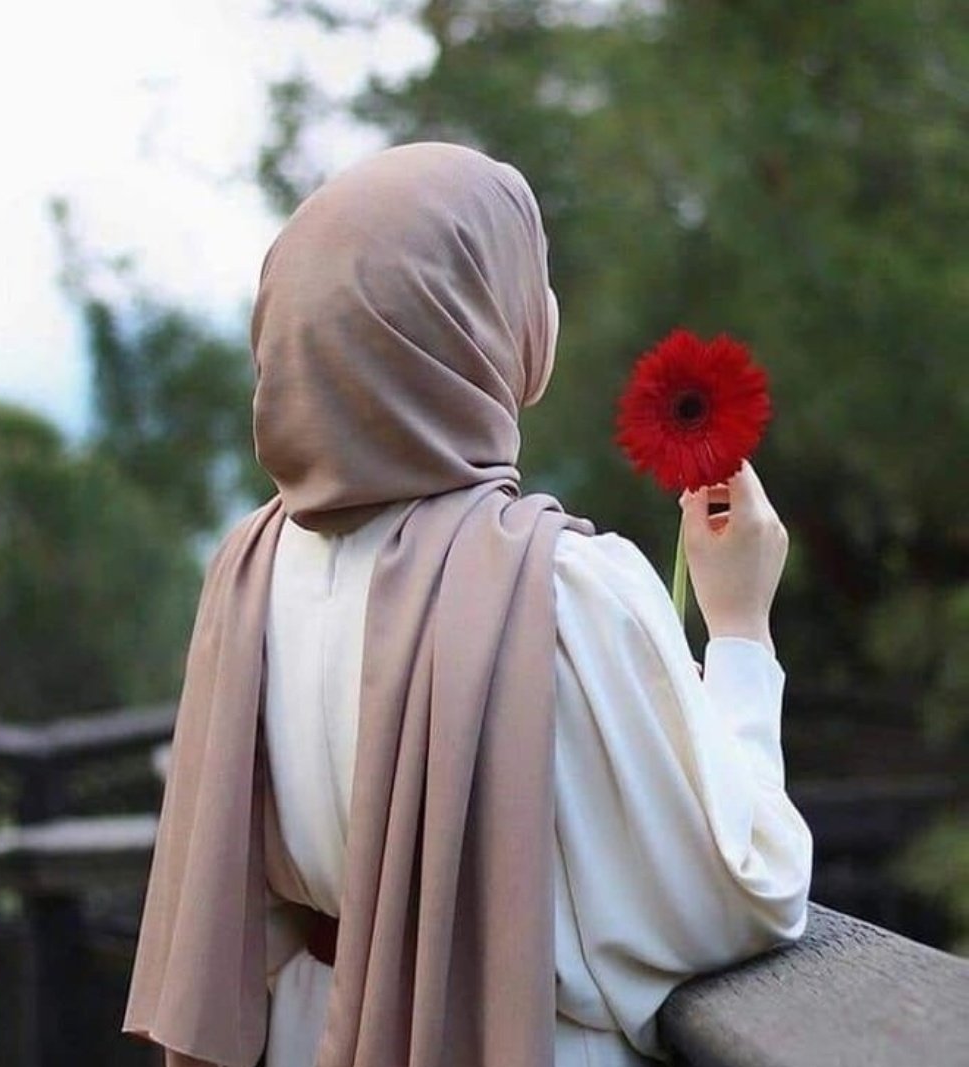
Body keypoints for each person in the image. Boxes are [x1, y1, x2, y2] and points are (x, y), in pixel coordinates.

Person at [123, 142, 812, 1067]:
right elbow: (743, 894)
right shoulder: (560, 588)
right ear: (482, 320)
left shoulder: (246, 572)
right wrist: (739, 631)